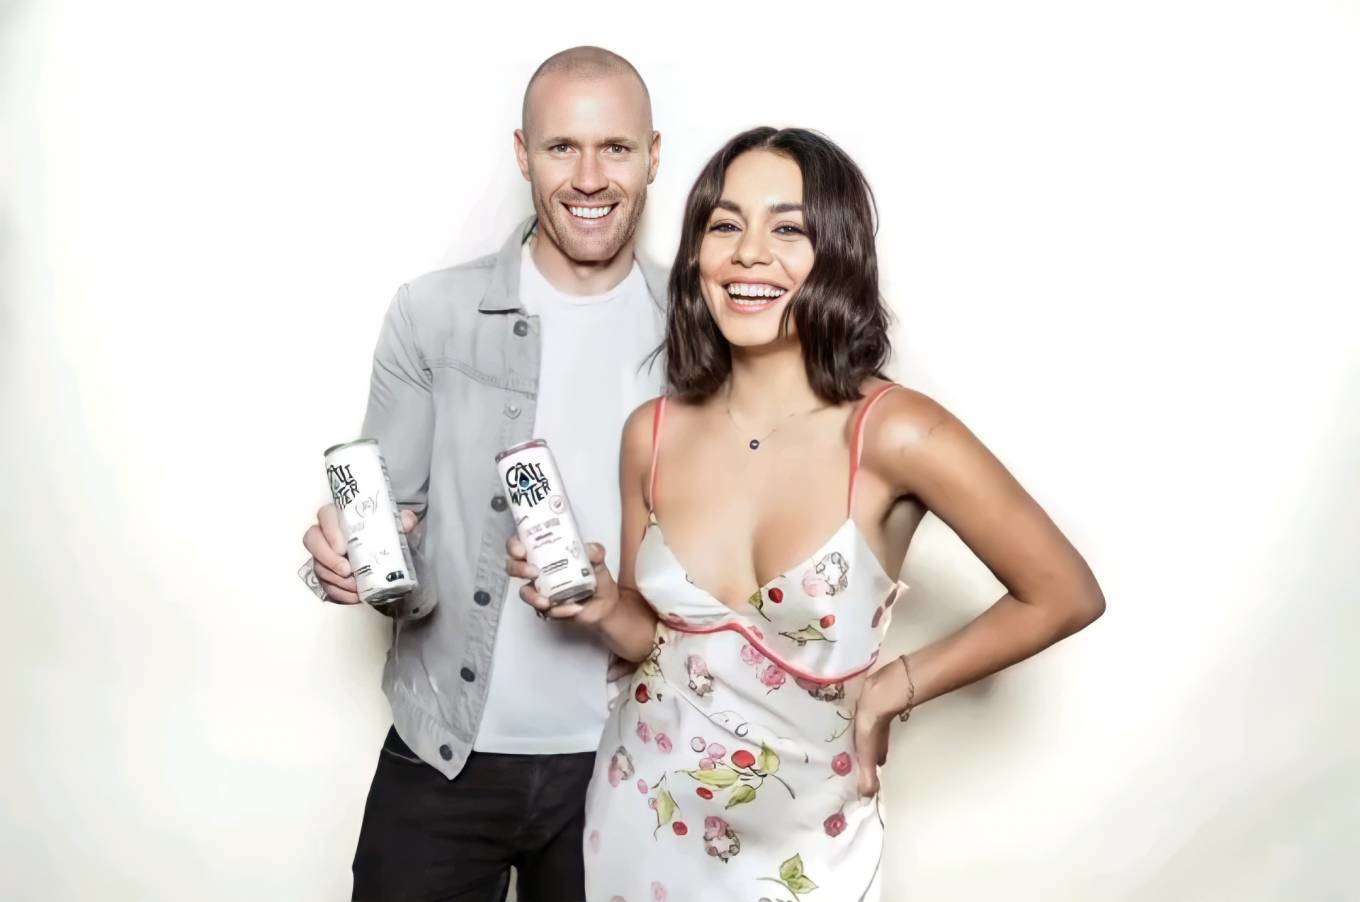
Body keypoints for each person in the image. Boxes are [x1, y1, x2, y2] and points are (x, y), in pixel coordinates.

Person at [506, 126, 1106, 900]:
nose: (749, 254)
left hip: (807, 855)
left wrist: (897, 684)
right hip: (638, 818)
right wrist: (597, 603)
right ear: (697, 255)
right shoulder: (650, 435)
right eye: (725, 225)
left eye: (787, 229)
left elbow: (1064, 592)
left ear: (837, 252)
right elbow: (650, 638)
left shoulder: (894, 432)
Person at [300, 46, 667, 901]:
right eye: (561, 147)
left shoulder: (695, 326)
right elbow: (392, 526)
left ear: (653, 155)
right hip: (445, 753)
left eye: (615, 148)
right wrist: (343, 561)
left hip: (628, 756)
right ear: (522, 154)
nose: (589, 177)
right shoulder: (433, 314)